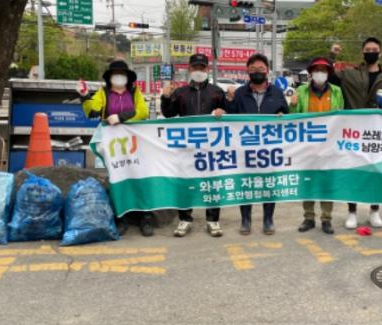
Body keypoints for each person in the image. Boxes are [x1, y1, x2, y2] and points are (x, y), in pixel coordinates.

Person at [329, 37, 382, 229]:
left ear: (381, 52)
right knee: (353, 171)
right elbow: (329, 76)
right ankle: (352, 212)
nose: (371, 52)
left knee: (376, 172)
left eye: (374, 49)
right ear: (362, 52)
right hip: (353, 131)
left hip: (377, 133)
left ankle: (374, 211)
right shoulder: (349, 74)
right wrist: (332, 56)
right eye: (367, 50)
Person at [78, 59, 153, 236]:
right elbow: (92, 111)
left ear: (127, 77)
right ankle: (121, 219)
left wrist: (121, 117)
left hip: (134, 142)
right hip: (114, 145)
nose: (119, 76)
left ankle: (145, 218)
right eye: (115, 73)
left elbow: (143, 112)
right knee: (117, 178)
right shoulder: (103, 93)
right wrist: (85, 96)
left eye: (122, 73)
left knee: (139, 177)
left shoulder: (134, 92)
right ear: (110, 76)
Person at [161, 53, 226, 238]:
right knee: (185, 181)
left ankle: (213, 220)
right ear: (189, 69)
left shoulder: (216, 91)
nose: (198, 70)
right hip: (186, 146)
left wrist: (223, 110)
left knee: (212, 183)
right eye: (195, 67)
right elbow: (168, 114)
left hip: (211, 146)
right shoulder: (180, 92)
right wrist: (165, 97)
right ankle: (184, 219)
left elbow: (229, 114)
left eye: (202, 67)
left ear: (207, 69)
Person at [225, 53, 289, 235]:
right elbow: (231, 117)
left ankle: (268, 219)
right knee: (246, 184)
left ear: (267, 71)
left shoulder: (277, 93)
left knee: (269, 184)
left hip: (269, 149)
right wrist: (227, 102)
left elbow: (287, 116)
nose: (257, 72)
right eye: (253, 69)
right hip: (245, 148)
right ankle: (246, 220)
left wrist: (282, 116)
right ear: (247, 71)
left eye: (261, 69)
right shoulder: (240, 93)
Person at [289, 57, 344, 234]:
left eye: (323, 70)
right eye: (317, 69)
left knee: (327, 182)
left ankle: (326, 219)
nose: (320, 73)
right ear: (311, 72)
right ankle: (309, 217)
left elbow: (341, 116)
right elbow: (293, 118)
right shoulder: (301, 90)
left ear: (328, 73)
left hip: (329, 144)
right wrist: (293, 105)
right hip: (307, 145)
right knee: (308, 181)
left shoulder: (336, 91)